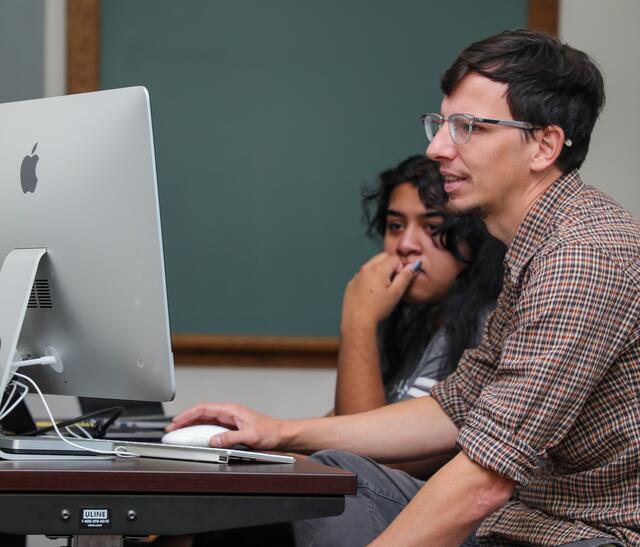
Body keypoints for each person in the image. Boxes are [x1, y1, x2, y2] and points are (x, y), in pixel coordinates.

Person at [168, 29, 639, 546]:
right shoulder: (540, 244)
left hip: (587, 536)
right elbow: (453, 407)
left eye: (468, 128)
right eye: (440, 124)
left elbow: (482, 481)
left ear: (544, 145)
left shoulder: (584, 255)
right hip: (521, 524)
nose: (437, 147)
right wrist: (281, 431)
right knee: (328, 473)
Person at [334, 155, 505, 422]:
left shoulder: (487, 327)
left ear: (472, 240)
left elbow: (363, 455)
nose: (405, 245)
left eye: (432, 227)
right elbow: (329, 432)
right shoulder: (412, 326)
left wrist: (359, 322)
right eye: (396, 226)